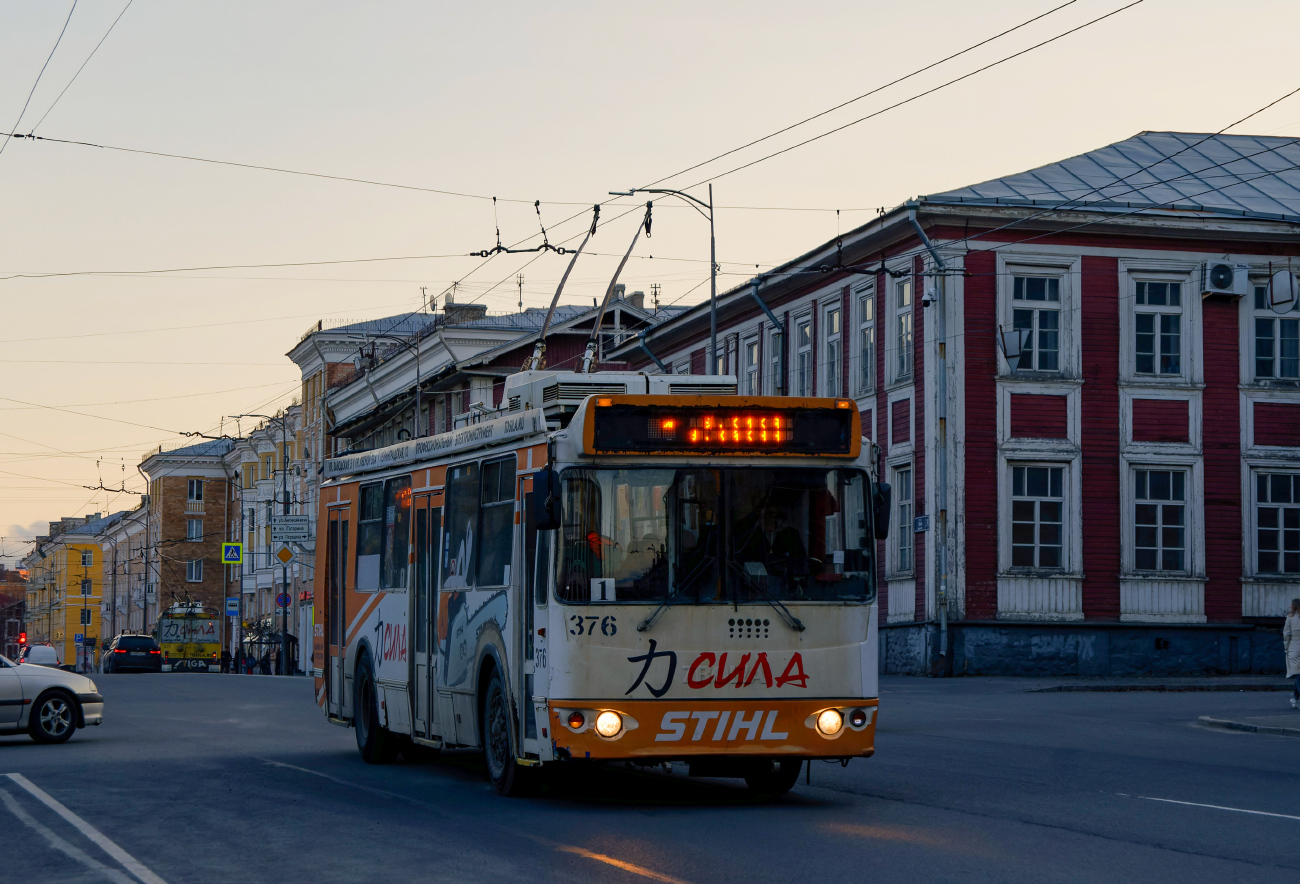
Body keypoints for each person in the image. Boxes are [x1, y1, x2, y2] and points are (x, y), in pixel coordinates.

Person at [1286, 599, 1300, 710]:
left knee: (1298, 674)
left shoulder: (1290, 618)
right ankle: (1295, 698)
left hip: (1294, 647)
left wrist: (1286, 648)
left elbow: (1286, 634)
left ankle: (1296, 699)